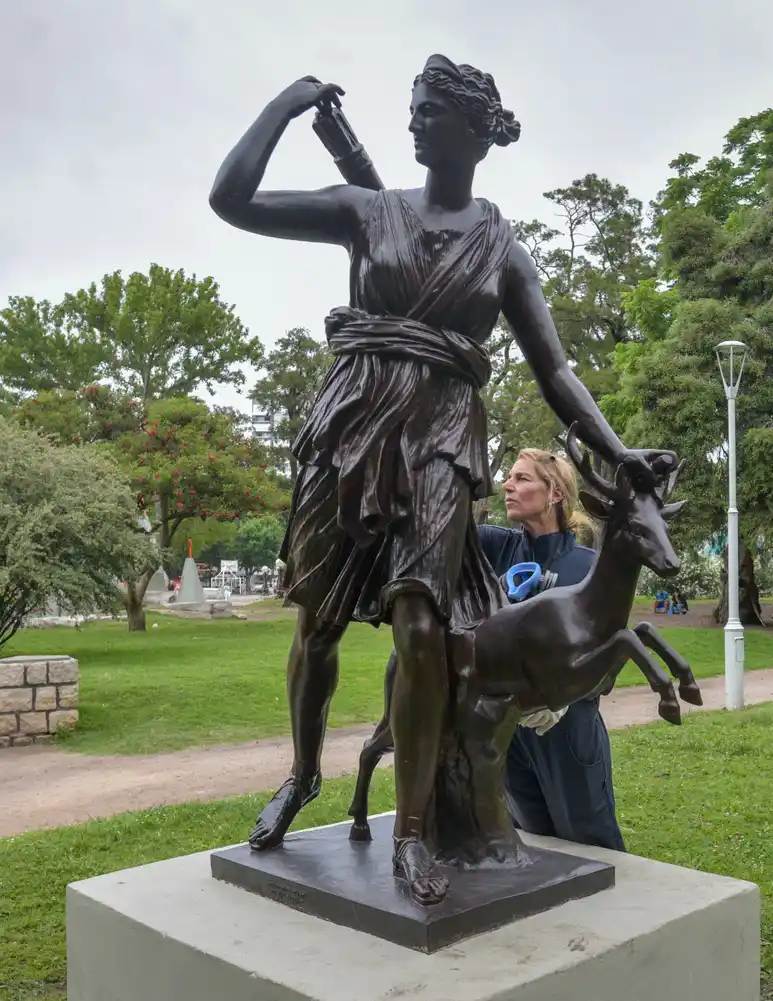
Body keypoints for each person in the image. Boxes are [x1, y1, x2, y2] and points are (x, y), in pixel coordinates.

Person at [209, 56, 654, 904]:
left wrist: (616, 447)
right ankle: (303, 776)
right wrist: (284, 105)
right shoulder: (366, 210)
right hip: (351, 429)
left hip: (444, 442)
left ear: (474, 129)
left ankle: (410, 831)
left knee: (421, 627)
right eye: (409, 111)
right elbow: (232, 201)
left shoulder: (503, 249)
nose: (413, 124)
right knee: (320, 622)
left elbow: (555, 371)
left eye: (429, 113)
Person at [483, 448, 625, 851]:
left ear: (556, 493)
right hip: (509, 733)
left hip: (567, 731)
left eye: (522, 479)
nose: (508, 486)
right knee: (533, 845)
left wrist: (564, 700)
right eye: (508, 478)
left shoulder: (590, 568)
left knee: (591, 845)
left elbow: (612, 659)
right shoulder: (496, 548)